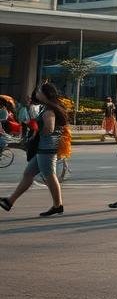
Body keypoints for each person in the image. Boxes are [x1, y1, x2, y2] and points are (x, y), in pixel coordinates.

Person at [0, 83, 68, 217]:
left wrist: (35, 129)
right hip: (43, 148)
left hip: (47, 149)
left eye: (39, 91)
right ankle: (9, 201)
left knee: (49, 176)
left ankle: (58, 205)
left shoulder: (49, 110)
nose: (36, 93)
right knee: (28, 174)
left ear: (45, 94)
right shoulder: (46, 107)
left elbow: (49, 128)